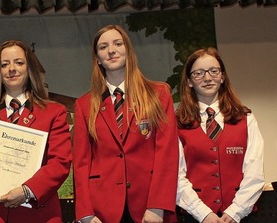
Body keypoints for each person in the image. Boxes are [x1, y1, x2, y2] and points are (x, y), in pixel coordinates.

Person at [72, 25, 179, 223]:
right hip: (102, 210)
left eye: (117, 44)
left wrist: (158, 205)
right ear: (97, 58)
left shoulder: (159, 94)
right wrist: (85, 213)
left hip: (149, 206)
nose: (111, 50)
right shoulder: (84, 105)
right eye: (103, 47)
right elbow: (81, 163)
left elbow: (167, 154)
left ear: (128, 50)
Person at [0, 40, 72, 222]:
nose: (11, 69)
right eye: (4, 64)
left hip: (36, 215)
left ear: (30, 68)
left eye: (19, 62)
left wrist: (27, 190)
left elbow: (60, 163)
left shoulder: (54, 113)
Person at [175, 48, 265, 223]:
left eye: (213, 71)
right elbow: (177, 175)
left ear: (222, 77)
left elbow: (255, 172)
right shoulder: (177, 123)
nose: (207, 78)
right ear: (189, 81)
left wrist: (235, 212)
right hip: (196, 217)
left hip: (241, 217)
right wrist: (203, 214)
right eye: (198, 73)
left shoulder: (246, 119)